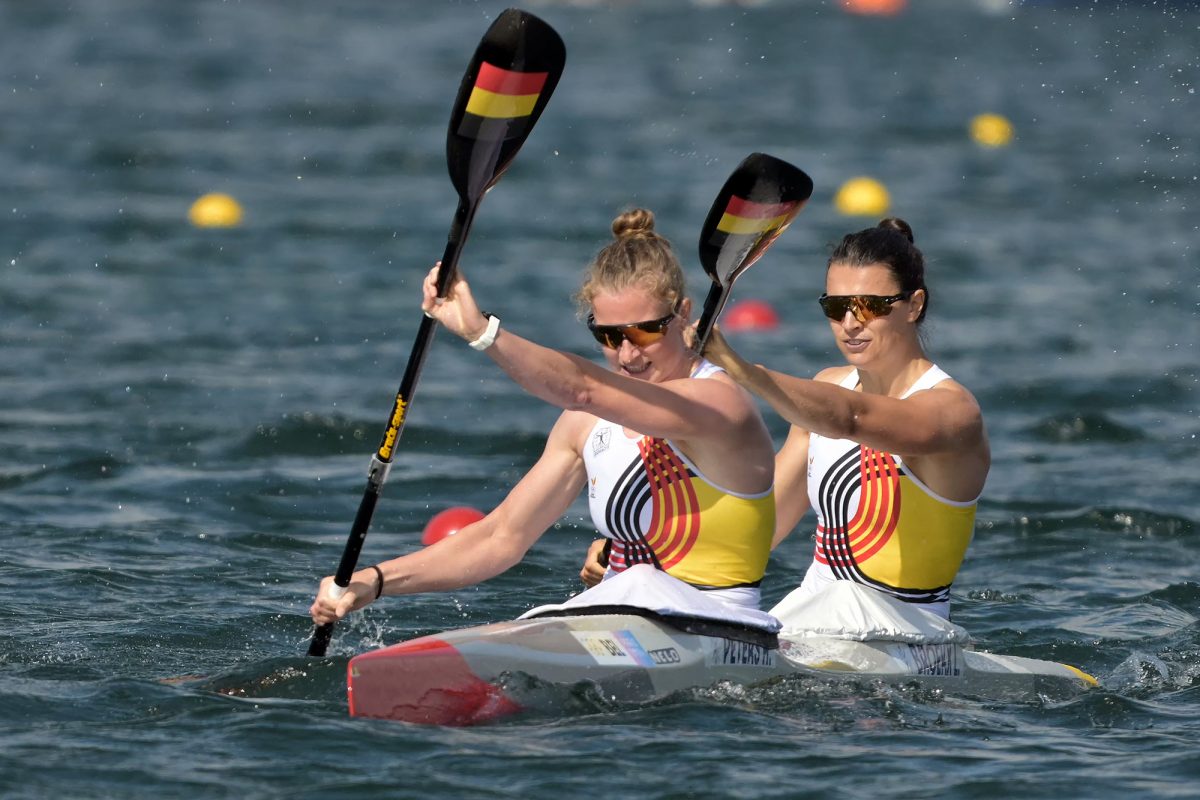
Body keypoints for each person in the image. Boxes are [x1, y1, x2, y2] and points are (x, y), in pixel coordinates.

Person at [309, 209, 778, 628]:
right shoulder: (583, 426)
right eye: (609, 336)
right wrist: (373, 582)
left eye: (644, 331)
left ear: (683, 315)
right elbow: (500, 537)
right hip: (615, 620)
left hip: (719, 626)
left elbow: (582, 387)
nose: (628, 353)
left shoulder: (720, 405)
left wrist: (480, 333)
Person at [580, 218, 989, 620]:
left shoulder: (953, 412)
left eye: (871, 307)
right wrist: (628, 549)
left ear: (914, 304)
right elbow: (762, 525)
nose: (850, 323)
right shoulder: (826, 386)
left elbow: (851, 417)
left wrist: (743, 371)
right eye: (837, 307)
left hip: (906, 632)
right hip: (809, 618)